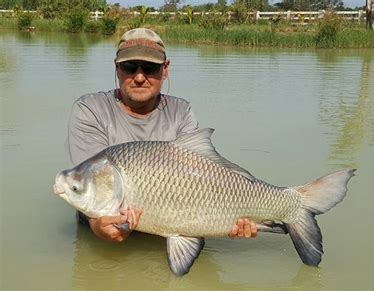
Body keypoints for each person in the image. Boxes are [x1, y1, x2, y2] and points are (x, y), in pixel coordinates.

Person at [66, 28, 257, 243]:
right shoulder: (90, 109)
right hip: (97, 235)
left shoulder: (181, 112)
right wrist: (98, 227)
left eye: (149, 67)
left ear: (165, 69)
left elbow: (206, 174)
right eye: (130, 67)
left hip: (168, 230)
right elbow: (89, 185)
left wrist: (224, 221)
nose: (139, 77)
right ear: (117, 68)